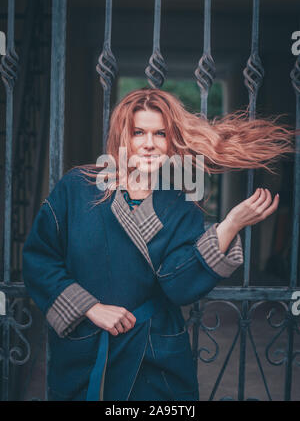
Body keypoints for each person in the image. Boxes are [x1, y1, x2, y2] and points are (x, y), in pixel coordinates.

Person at [22, 88, 296, 401]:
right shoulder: (77, 187)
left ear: (171, 141)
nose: (149, 143)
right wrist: (91, 308)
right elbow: (39, 260)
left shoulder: (179, 201)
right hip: (86, 346)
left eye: (160, 133)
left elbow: (179, 286)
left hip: (153, 353)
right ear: (122, 135)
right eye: (139, 132)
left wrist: (231, 224)